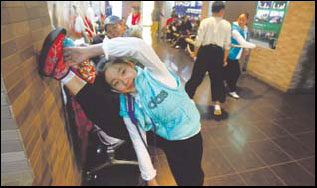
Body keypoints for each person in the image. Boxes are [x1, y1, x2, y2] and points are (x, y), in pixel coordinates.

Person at [62, 37, 205, 186]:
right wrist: (150, 179)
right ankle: (64, 75)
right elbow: (138, 141)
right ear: (114, 90)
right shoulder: (129, 106)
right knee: (181, 177)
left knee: (193, 178)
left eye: (123, 72)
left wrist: (89, 51)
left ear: (130, 64)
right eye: (116, 83)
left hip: (190, 136)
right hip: (168, 141)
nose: (124, 81)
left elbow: (138, 47)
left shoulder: (157, 75)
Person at [39, 28, 158, 186]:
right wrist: (89, 52)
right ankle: (63, 68)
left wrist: (150, 178)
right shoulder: (148, 77)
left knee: (109, 102)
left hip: (139, 130)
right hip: (138, 120)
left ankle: (62, 71)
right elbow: (137, 47)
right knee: (103, 84)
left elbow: (139, 138)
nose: (124, 80)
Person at [185, 1, 231, 116]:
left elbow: (199, 40)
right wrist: (224, 59)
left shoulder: (205, 22)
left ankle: (188, 98)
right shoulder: (227, 24)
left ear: (212, 10)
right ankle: (217, 105)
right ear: (221, 11)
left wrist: (195, 54)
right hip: (218, 54)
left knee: (197, 76)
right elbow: (227, 45)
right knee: (217, 79)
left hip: (205, 52)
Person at [225, 13, 256, 99]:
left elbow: (244, 41)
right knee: (236, 73)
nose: (241, 21)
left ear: (247, 21)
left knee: (228, 72)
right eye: (240, 19)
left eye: (243, 20)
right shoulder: (234, 30)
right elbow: (243, 43)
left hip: (237, 54)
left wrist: (245, 49)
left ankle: (223, 86)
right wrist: (252, 46)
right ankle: (231, 90)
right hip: (231, 53)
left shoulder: (245, 29)